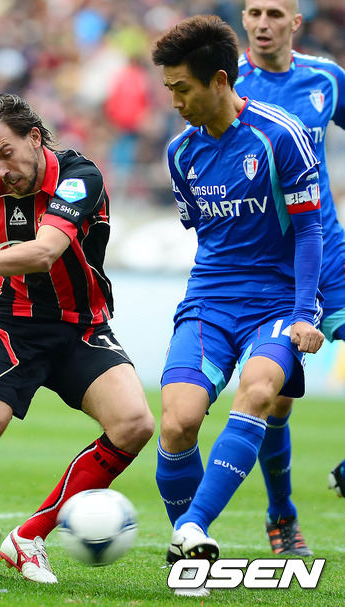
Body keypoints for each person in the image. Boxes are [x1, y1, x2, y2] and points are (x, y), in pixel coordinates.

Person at [0, 93, 155, 584]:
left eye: (6, 153)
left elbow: (44, 253)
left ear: (35, 137)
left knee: (134, 424)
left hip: (80, 326)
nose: (0, 170)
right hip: (9, 323)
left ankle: (29, 536)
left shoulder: (80, 178)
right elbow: (10, 250)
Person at [151, 14, 324, 597]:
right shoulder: (180, 153)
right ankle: (189, 548)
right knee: (177, 423)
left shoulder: (280, 136)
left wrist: (304, 311)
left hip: (275, 304)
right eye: (169, 89)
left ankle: (195, 525)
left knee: (259, 392)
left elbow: (309, 231)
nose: (174, 102)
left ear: (220, 80)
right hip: (208, 302)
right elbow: (205, 234)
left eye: (182, 89)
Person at [235, 0, 345, 555]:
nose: (263, 22)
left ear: (295, 23)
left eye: (275, 13)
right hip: (271, 266)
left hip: (328, 248)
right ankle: (281, 514)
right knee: (276, 400)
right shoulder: (226, 82)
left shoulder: (327, 78)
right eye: (254, 11)